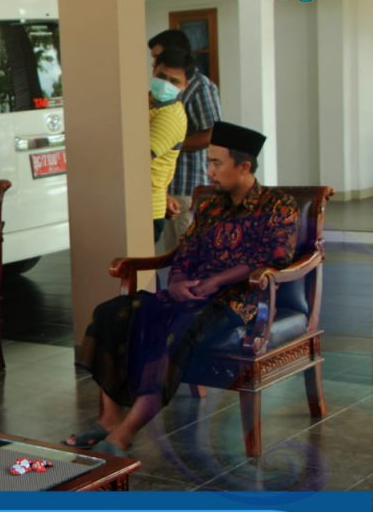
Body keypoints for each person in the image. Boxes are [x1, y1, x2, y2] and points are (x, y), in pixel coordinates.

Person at [69, 122, 298, 455]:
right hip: (189, 294)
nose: (209, 171)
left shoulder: (278, 205)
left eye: (217, 163)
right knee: (111, 313)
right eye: (208, 162)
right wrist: (176, 281)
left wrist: (217, 281)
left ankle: (124, 434)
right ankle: (108, 419)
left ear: (244, 166)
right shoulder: (210, 206)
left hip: (236, 301)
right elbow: (186, 250)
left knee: (175, 331)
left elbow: (275, 257)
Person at [148, 29, 222, 250]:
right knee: (170, 251)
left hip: (188, 182)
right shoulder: (153, 99)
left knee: (185, 253)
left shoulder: (200, 87)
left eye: (158, 55)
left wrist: (172, 145)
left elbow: (213, 132)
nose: (154, 62)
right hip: (166, 186)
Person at [148, 48, 189, 242]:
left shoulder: (170, 116)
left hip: (147, 208)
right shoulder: (148, 103)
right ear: (153, 70)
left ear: (185, 85)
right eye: (162, 77)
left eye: (174, 81)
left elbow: (138, 159)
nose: (165, 85)